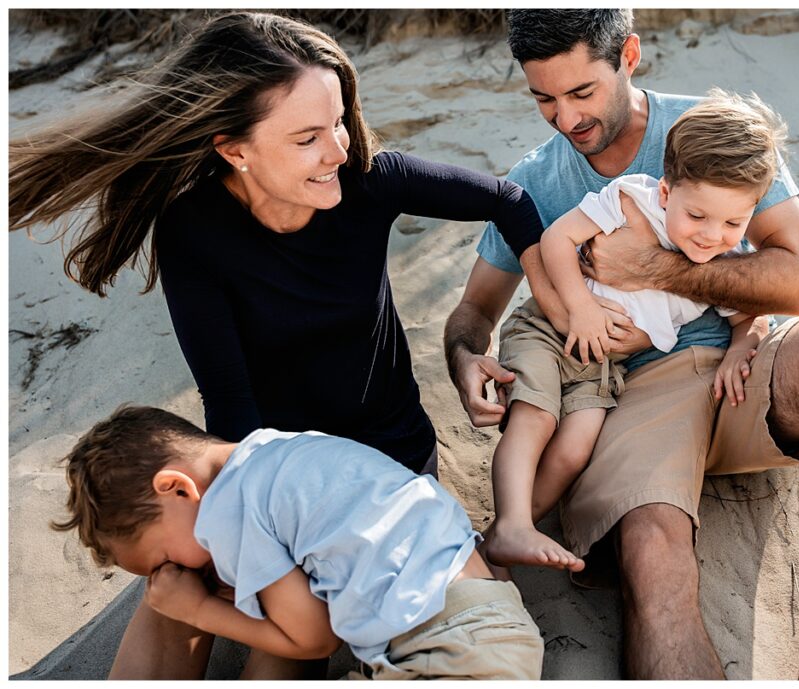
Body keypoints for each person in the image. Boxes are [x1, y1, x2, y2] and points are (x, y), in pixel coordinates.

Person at [9, 11, 550, 679]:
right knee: (180, 581)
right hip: (271, 471)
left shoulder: (372, 180)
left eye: (339, 121)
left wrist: (558, 300)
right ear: (234, 148)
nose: (338, 149)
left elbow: (513, 201)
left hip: (385, 475)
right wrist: (248, 531)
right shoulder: (193, 231)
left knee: (283, 630)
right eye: (306, 137)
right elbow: (229, 399)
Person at [444, 9, 799, 680]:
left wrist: (660, 269)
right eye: (543, 97)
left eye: (582, 93)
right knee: (653, 549)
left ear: (629, 54)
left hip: (743, 374)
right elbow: (473, 311)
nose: (565, 118)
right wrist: (465, 359)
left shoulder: (713, 138)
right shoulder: (537, 180)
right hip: (633, 394)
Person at [484, 89, 786, 571]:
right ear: (668, 194)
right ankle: (511, 521)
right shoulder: (634, 201)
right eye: (697, 216)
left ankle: (505, 541)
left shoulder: (722, 263)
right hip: (548, 330)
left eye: (734, 221)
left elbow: (752, 316)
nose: (712, 234)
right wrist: (580, 307)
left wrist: (739, 349)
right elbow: (556, 240)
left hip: (601, 365)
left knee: (574, 449)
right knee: (535, 418)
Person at [51, 405, 544, 680]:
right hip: (488, 617)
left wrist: (197, 610)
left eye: (163, 559)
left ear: (177, 488)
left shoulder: (229, 510)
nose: (173, 572)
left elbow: (313, 638)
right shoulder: (278, 451)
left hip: (445, 646)